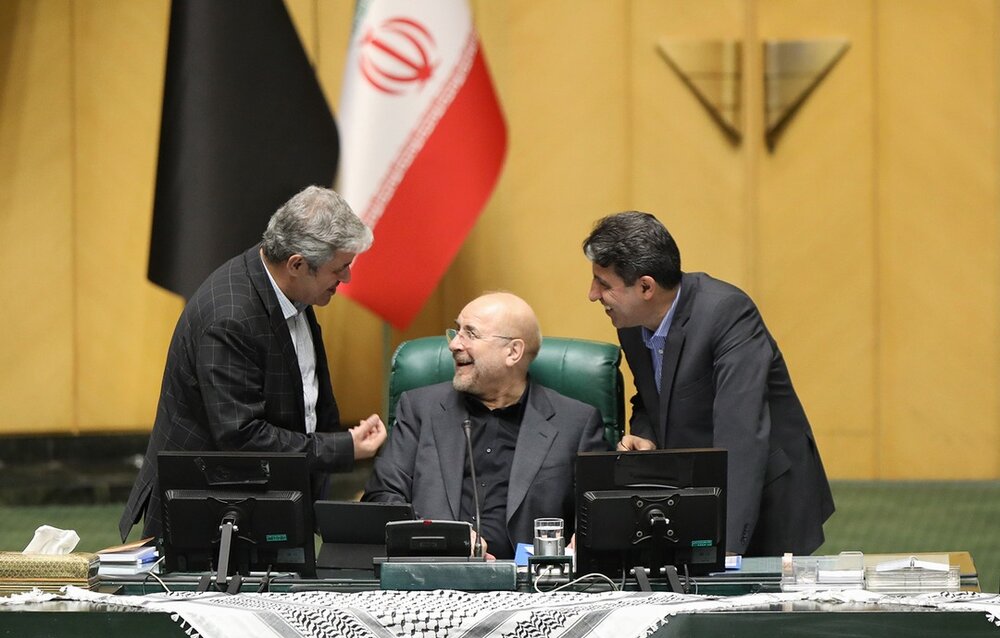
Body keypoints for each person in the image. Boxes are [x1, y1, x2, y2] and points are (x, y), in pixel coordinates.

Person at [119, 186, 387, 541]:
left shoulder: (291, 290)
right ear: (297, 264)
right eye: (340, 268)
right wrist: (341, 447)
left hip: (264, 502)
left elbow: (303, 392)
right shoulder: (229, 318)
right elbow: (243, 439)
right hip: (206, 518)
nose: (348, 278)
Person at [582, 211, 834, 556]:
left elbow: (741, 432)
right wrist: (646, 433)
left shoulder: (728, 314)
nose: (592, 294)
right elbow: (652, 396)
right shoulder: (631, 322)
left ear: (646, 287)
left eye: (603, 284)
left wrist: (725, 547)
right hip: (697, 492)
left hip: (764, 497)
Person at [362, 292, 610, 559]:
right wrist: (444, 539)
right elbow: (382, 498)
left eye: (470, 333)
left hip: (530, 580)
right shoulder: (420, 408)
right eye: (456, 331)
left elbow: (604, 510)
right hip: (433, 572)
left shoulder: (575, 423)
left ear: (513, 352)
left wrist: (584, 541)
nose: (454, 344)